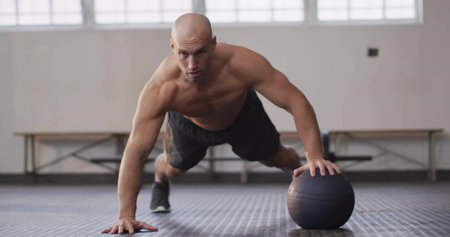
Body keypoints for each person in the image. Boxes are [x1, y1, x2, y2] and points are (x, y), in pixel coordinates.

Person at [102, 13, 341, 234]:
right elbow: (136, 149)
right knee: (173, 167)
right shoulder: (162, 88)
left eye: (201, 52)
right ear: (173, 47)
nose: (192, 65)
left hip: (242, 117)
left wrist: (314, 156)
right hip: (190, 125)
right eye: (184, 54)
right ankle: (160, 180)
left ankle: (301, 175)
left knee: (278, 158)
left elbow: (295, 101)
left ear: (214, 44)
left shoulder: (242, 62)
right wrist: (126, 215)